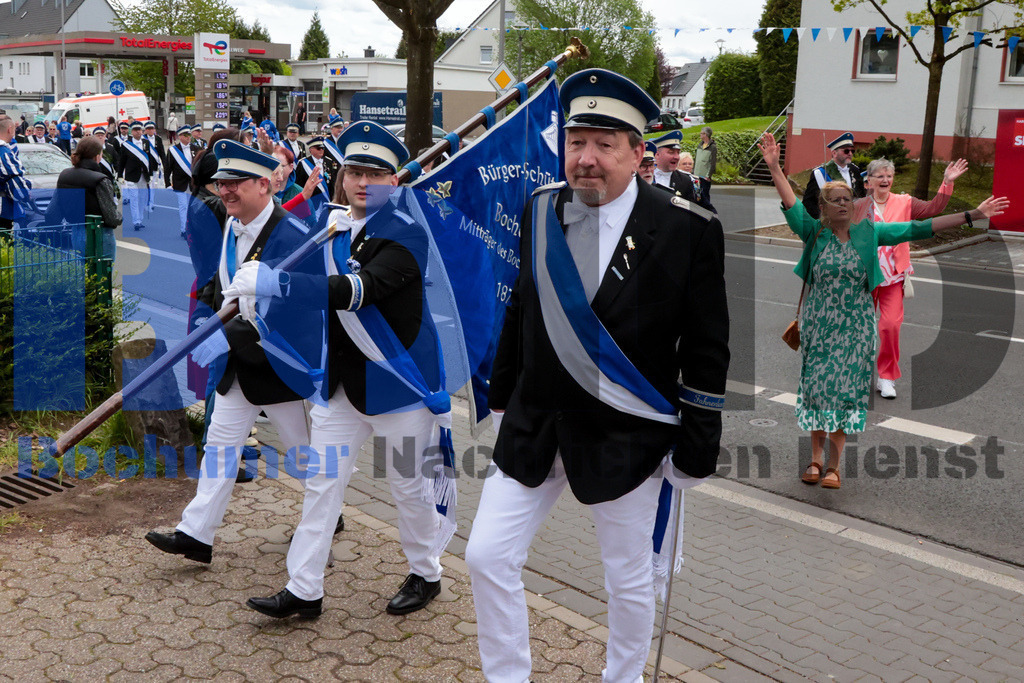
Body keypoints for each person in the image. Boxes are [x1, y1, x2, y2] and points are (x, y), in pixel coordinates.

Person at [465, 68, 731, 682]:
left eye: (604, 145)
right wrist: (501, 394)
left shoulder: (688, 228)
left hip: (627, 432)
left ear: (638, 153)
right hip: (535, 422)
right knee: (485, 556)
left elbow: (707, 346)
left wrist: (697, 447)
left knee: (628, 580)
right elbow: (521, 307)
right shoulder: (541, 209)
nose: (585, 159)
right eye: (576, 141)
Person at [242, 121, 452, 620]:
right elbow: (301, 271)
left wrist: (275, 284)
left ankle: (426, 572)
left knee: (408, 487)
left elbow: (358, 291)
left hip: (398, 383)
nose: (362, 182)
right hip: (340, 384)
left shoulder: (406, 234)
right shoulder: (333, 225)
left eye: (375, 174)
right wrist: (254, 284)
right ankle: (304, 588)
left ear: (394, 181)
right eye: (354, 171)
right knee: (322, 483)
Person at [759, 133, 1008, 489]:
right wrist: (773, 166)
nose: (843, 205)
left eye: (847, 199)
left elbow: (918, 227)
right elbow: (790, 201)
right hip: (819, 329)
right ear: (823, 207)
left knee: (845, 394)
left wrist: (972, 215)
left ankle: (834, 466)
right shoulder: (813, 232)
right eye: (835, 200)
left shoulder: (869, 234)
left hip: (856, 330)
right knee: (817, 392)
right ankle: (814, 459)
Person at [145, 139, 321, 566]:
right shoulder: (231, 224)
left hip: (280, 368)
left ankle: (325, 518)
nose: (225, 190)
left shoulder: (295, 235)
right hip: (236, 367)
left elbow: (301, 308)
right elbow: (222, 284)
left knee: (306, 457)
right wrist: (205, 321)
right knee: (221, 448)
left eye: (235, 183)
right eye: (221, 182)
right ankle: (196, 533)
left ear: (264, 184)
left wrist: (230, 336)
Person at [854, 157, 968, 399]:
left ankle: (886, 377)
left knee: (890, 326)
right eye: (880, 176)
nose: (885, 180)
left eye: (889, 176)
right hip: (864, 277)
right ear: (869, 181)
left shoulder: (905, 202)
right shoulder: (858, 207)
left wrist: (947, 182)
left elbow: (933, 209)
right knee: (860, 328)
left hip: (893, 277)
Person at [52, 135, 121, 259]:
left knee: (83, 269)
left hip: (76, 231)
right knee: (103, 270)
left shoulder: (64, 175)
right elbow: (111, 217)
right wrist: (119, 217)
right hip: (100, 233)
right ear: (97, 156)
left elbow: (51, 212)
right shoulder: (100, 179)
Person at [802, 132, 865, 219]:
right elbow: (809, 203)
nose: (850, 153)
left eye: (852, 151)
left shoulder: (855, 170)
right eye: (846, 151)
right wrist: (823, 220)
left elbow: (861, 196)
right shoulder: (820, 173)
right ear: (834, 153)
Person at [650, 130, 714, 212]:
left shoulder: (686, 181)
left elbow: (697, 211)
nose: (676, 157)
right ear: (657, 155)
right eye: (671, 152)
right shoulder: (643, 177)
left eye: (678, 153)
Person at [117, 121, 155, 231]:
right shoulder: (126, 144)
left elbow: (149, 159)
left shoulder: (146, 143)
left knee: (142, 198)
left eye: (139, 130)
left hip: (144, 175)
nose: (138, 132)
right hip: (131, 175)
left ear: (142, 131)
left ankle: (140, 219)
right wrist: (120, 175)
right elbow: (122, 161)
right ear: (132, 132)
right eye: (135, 130)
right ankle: (136, 221)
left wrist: (150, 174)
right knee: (134, 198)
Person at [0, 117, 33, 234]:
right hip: (5, 210)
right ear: (10, 129)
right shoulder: (4, 153)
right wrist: (27, 192)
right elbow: (16, 181)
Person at [294, 136, 336, 214]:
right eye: (318, 148)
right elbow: (299, 184)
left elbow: (332, 183)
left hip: (326, 201)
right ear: (311, 149)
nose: (321, 150)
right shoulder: (303, 163)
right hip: (310, 202)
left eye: (323, 148)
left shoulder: (329, 162)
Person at [166, 125, 195, 238]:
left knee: (192, 208)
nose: (188, 137)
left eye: (189, 135)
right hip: (179, 183)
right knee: (183, 206)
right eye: (186, 135)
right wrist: (167, 183)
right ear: (180, 136)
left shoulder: (196, 148)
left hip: (193, 184)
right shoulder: (173, 150)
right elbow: (168, 168)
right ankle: (184, 229)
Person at [143, 121, 166, 213]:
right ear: (146, 130)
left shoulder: (158, 139)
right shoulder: (142, 139)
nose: (150, 130)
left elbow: (162, 153)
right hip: (145, 167)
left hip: (154, 166)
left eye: (152, 128)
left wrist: (165, 165)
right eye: (148, 129)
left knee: (152, 186)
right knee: (145, 186)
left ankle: (150, 203)